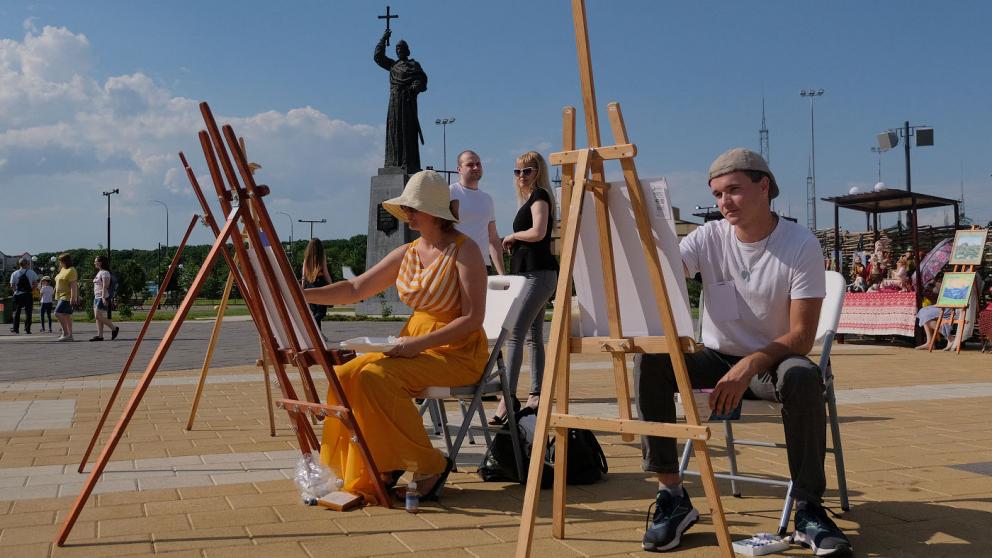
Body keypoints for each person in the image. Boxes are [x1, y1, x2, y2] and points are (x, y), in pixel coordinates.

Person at [636, 148, 851, 555]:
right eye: (717, 194)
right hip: (716, 359)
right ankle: (672, 495)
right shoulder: (709, 236)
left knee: (804, 375)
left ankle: (809, 509)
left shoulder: (799, 244)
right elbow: (662, 274)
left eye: (733, 190)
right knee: (652, 359)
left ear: (764, 186)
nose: (724, 202)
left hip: (774, 359)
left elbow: (802, 336)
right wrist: (642, 230)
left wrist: (750, 365)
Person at [304, 170, 486, 504]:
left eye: (412, 207)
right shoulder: (409, 252)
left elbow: (473, 319)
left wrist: (417, 344)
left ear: (434, 212)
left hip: (456, 352)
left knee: (374, 378)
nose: (407, 214)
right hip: (412, 344)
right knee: (343, 375)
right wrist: (301, 294)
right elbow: (355, 289)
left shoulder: (465, 250)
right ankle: (370, 465)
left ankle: (429, 466)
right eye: (406, 207)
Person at [492, 151, 559, 425]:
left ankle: (507, 399)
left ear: (538, 172)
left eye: (527, 170)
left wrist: (513, 236)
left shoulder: (540, 195)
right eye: (517, 171)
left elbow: (539, 232)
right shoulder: (531, 198)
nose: (521, 176)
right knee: (532, 335)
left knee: (515, 332)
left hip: (538, 274)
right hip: (532, 274)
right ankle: (536, 394)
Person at [374, 28, 428, 172]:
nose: (399, 50)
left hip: (407, 103)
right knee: (394, 132)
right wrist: (383, 39)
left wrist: (415, 87)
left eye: (402, 48)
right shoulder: (393, 66)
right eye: (397, 49)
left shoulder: (414, 65)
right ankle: (393, 162)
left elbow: (421, 79)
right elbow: (378, 57)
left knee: (407, 132)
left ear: (407, 51)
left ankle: (408, 162)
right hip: (394, 104)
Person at [449, 150, 505, 275]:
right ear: (459, 169)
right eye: (470, 164)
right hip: (456, 263)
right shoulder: (450, 193)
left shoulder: (487, 199)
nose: (476, 167)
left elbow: (493, 238)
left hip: (483, 265)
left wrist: (502, 275)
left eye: (478, 164)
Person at [301, 238, 333, 333]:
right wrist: (331, 285)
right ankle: (311, 326)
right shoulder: (321, 257)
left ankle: (318, 334)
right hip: (320, 285)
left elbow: (303, 275)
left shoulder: (306, 258)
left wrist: (302, 288)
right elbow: (326, 273)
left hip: (309, 285)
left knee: (314, 311)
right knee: (321, 312)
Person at [90, 255, 120, 342]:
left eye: (96, 261)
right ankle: (100, 336)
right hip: (97, 297)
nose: (94, 263)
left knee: (98, 316)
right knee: (98, 317)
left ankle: (114, 328)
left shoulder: (105, 273)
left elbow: (105, 286)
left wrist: (103, 297)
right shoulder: (100, 272)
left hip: (102, 297)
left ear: (100, 262)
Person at [8, 257, 38, 334]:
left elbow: (12, 285)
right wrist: (31, 291)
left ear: (19, 264)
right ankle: (27, 329)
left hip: (18, 295)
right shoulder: (32, 272)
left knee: (17, 312)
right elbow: (35, 284)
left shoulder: (14, 273)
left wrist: (15, 291)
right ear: (27, 264)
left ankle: (16, 329)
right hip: (28, 294)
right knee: (28, 312)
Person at [53, 253, 79, 341]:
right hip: (60, 296)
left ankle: (65, 333)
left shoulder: (71, 270)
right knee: (66, 315)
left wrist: (73, 297)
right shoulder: (62, 269)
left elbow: (73, 285)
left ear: (65, 261)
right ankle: (70, 335)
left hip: (67, 296)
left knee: (57, 313)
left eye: (60, 261)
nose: (59, 263)